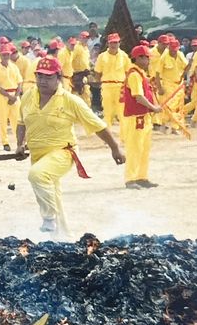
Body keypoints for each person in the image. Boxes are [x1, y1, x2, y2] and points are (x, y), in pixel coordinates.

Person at [16, 57, 125, 237]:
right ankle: (62, 239)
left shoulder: (70, 100)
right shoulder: (28, 96)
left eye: (48, 77)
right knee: (52, 195)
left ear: (58, 78)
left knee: (37, 175)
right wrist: (19, 145)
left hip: (63, 152)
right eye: (39, 76)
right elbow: (21, 123)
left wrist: (115, 148)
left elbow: (97, 125)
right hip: (38, 154)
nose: (42, 80)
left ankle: (48, 218)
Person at [122, 46, 162, 190]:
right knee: (134, 148)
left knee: (144, 148)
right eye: (145, 57)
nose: (147, 60)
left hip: (144, 116)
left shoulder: (141, 74)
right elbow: (138, 97)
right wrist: (153, 107)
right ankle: (130, 179)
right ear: (138, 58)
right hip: (135, 117)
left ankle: (141, 176)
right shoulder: (134, 74)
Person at [94, 33, 131, 128]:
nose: (114, 45)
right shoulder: (102, 56)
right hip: (107, 86)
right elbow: (97, 72)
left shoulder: (124, 56)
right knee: (107, 111)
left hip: (120, 86)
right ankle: (108, 135)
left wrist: (127, 85)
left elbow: (128, 71)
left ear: (119, 43)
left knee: (122, 111)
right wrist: (99, 84)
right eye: (112, 43)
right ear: (108, 43)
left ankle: (124, 136)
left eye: (116, 42)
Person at [0, 43, 23, 151]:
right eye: (4, 55)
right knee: (3, 120)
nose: (6, 57)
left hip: (15, 94)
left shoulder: (14, 67)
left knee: (17, 119)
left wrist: (16, 96)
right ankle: (5, 142)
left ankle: (20, 140)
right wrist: (9, 96)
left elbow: (19, 83)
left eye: (8, 54)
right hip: (3, 95)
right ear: (0, 56)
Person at [155, 39, 188, 134]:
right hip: (168, 84)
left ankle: (174, 127)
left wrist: (190, 65)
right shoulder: (164, 57)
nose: (174, 51)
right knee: (168, 106)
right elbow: (157, 74)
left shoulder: (180, 55)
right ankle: (163, 124)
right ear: (169, 47)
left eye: (175, 49)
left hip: (179, 85)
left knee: (178, 106)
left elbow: (186, 68)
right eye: (172, 49)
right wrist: (160, 87)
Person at [71, 31, 92, 106]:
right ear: (80, 37)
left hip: (84, 74)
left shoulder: (86, 48)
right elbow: (71, 59)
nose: (85, 39)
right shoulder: (77, 47)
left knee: (86, 93)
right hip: (77, 74)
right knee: (77, 94)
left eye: (87, 37)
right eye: (83, 37)